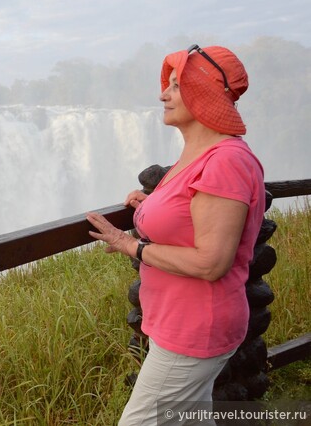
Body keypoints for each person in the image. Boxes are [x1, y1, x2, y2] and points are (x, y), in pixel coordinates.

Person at [85, 44, 266, 425]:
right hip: (182, 324)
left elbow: (210, 262)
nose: (162, 94)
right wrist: (150, 207)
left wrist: (127, 243)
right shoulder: (199, 155)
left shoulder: (225, 161)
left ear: (205, 92)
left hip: (195, 330)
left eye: (175, 86)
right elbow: (191, 211)